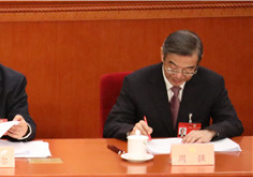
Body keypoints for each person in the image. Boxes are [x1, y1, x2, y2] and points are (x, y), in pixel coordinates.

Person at [103, 30, 243, 143]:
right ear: (162, 55)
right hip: (151, 160)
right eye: (173, 67)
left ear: (197, 64)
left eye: (188, 69)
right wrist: (132, 131)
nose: (179, 75)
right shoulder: (136, 82)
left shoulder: (211, 82)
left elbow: (233, 123)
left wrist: (210, 132)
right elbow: (112, 125)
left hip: (192, 159)